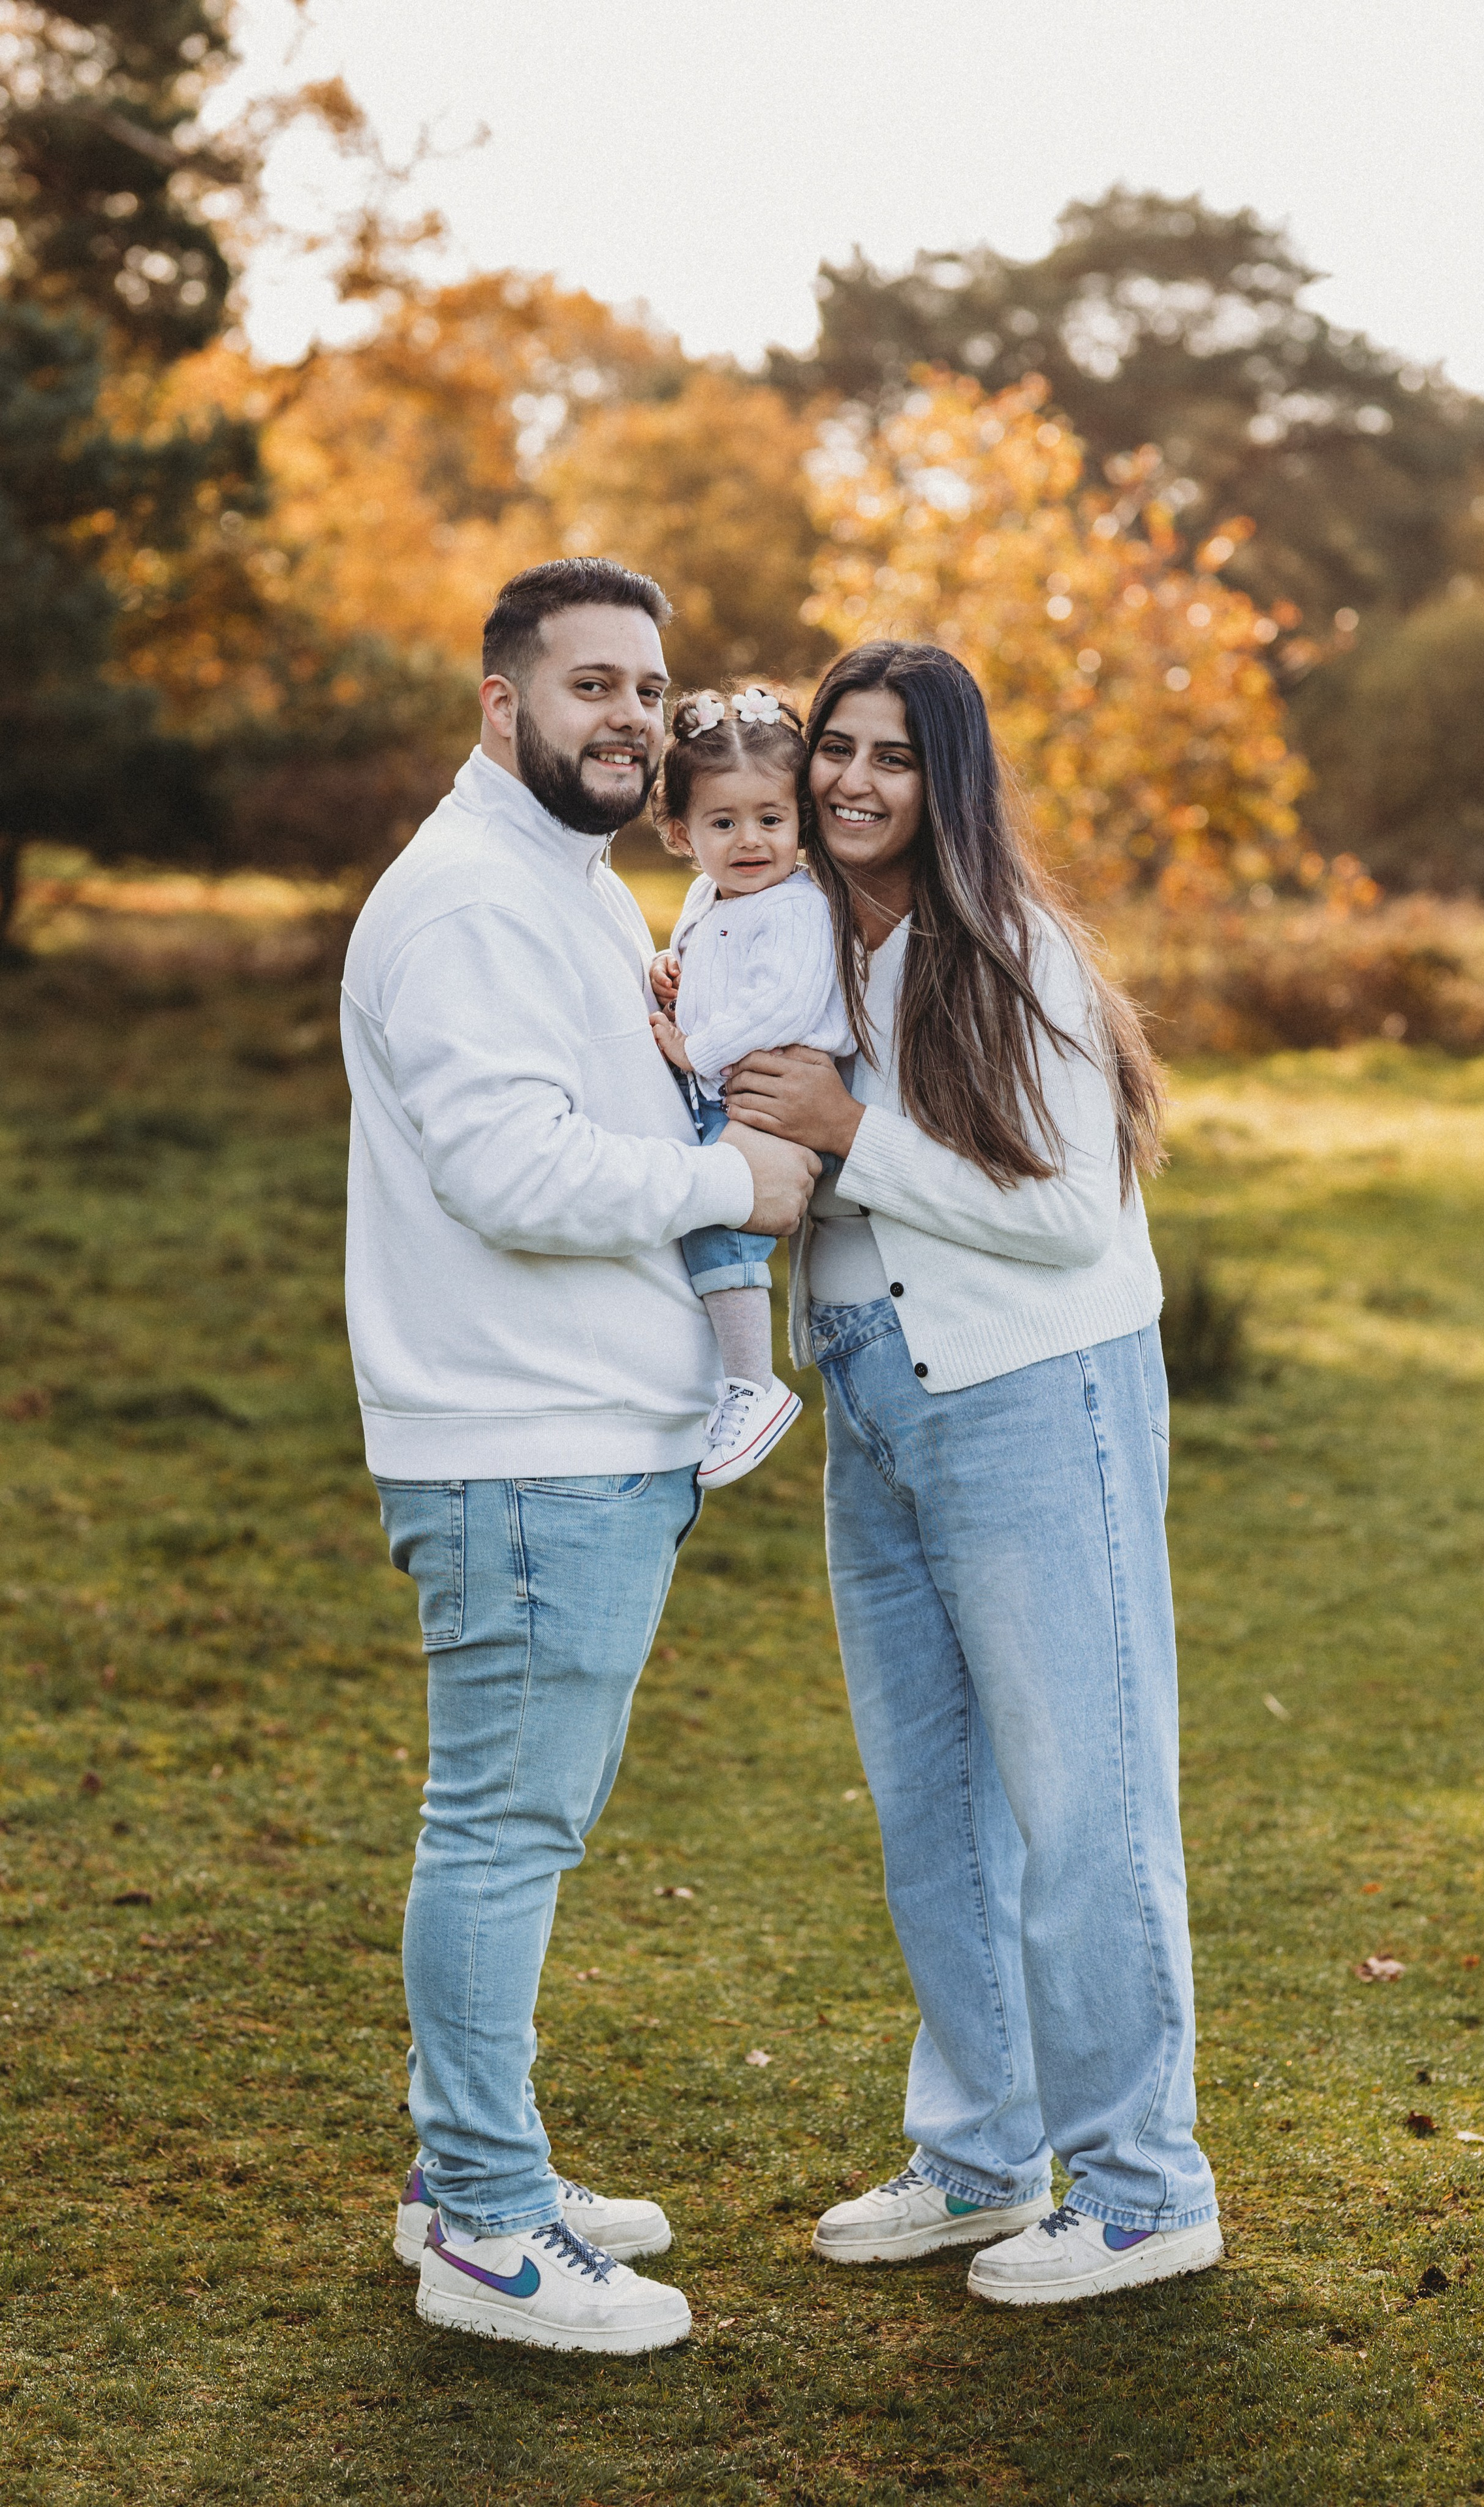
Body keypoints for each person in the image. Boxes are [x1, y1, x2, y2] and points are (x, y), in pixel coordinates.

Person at [338, 557, 818, 2353]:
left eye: (644, 686)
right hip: (522, 1445)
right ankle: (479, 2222)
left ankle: (469, 2161)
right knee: (503, 1824)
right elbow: (510, 1173)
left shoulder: (567, 884)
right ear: (501, 705)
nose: (626, 716)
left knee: (523, 1818)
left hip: (580, 1435)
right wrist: (736, 1186)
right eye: (588, 686)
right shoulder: (470, 901)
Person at [723, 640, 1222, 2309]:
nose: (853, 782)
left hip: (1030, 1394)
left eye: (893, 756)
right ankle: (981, 2155)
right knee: (929, 1798)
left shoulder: (1012, 955)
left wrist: (856, 1137)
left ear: (952, 779)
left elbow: (1065, 1213)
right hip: (874, 1396)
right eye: (833, 752)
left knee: (1081, 1794)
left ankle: (1144, 2187)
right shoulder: (804, 942)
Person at [645, 684, 854, 1488]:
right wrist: (671, 970)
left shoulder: (798, 910)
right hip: (732, 1087)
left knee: (719, 1225)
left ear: (800, 820)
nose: (750, 842)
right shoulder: (710, 897)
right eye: (722, 824)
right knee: (696, 1220)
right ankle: (721, 1375)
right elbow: (712, 968)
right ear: (680, 831)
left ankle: (752, 1383)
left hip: (778, 1095)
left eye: (770, 820)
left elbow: (778, 1005)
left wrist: (694, 1049)